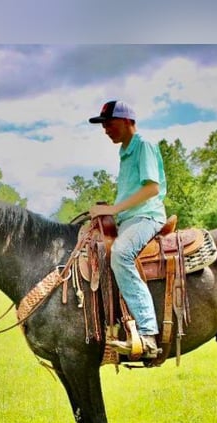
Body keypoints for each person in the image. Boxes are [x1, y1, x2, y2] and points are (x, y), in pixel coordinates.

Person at [88, 100, 167, 359]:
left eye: (109, 124)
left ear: (127, 121)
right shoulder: (124, 152)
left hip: (146, 217)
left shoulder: (143, 146)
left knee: (121, 253)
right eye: (104, 126)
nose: (106, 130)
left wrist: (113, 209)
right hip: (129, 220)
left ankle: (147, 335)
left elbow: (151, 188)